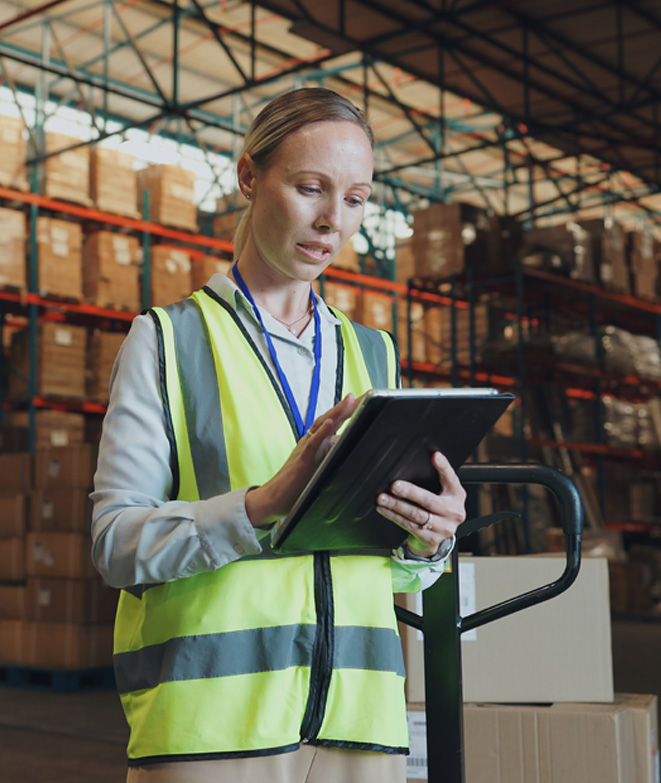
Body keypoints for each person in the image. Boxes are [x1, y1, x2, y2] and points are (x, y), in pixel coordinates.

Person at [91, 87, 467, 783]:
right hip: (213, 728)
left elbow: (379, 563)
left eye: (355, 199)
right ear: (246, 177)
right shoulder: (169, 340)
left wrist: (428, 538)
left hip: (360, 723)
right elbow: (115, 545)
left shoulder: (372, 354)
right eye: (309, 187)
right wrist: (259, 505)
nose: (332, 220)